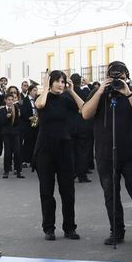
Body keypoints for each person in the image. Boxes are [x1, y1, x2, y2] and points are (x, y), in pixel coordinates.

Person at [79, 59, 132, 248]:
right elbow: (86, 114)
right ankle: (117, 231)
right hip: (106, 154)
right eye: (112, 76)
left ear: (127, 77)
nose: (115, 80)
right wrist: (99, 90)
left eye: (120, 76)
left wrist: (127, 91)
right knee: (110, 195)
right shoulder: (99, 93)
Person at [33, 70, 83, 240]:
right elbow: (40, 105)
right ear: (51, 82)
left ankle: (70, 228)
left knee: (68, 191)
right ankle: (49, 228)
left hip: (65, 148)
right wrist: (45, 86)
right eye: (58, 81)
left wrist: (72, 91)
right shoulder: (42, 98)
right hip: (45, 149)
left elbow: (84, 108)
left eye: (63, 81)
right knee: (47, 191)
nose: (61, 84)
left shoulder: (67, 99)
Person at [70, 73, 96, 183]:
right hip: (84, 125)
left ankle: (72, 172)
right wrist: (87, 84)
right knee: (84, 151)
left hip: (71, 125)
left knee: (72, 151)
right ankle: (82, 174)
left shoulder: (68, 93)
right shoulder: (85, 91)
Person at [0, 87, 25, 176]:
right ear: (5, 100)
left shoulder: (16, 108)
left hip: (15, 133)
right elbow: (1, 122)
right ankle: (6, 171)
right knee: (7, 153)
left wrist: (18, 115)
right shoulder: (2, 109)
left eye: (12, 99)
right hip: (6, 133)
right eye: (9, 100)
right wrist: (6, 117)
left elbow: (18, 122)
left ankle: (18, 171)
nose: (10, 101)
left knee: (17, 152)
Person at [0, 77, 11, 161]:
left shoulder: (9, 91)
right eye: (2, 81)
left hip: (7, 114)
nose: (3, 82)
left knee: (8, 135)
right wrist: (1, 92)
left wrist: (6, 92)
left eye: (5, 81)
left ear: (7, 82)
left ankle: (9, 154)